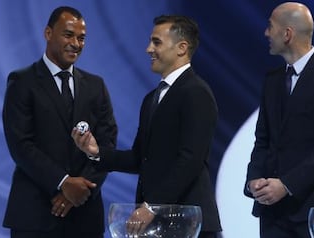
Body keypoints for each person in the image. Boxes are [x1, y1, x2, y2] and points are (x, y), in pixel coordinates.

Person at [72, 15, 222, 238]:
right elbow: (139, 158)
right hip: (156, 224)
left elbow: (190, 159)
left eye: (156, 42)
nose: (148, 49)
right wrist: (95, 153)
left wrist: (151, 205)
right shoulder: (152, 98)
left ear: (182, 48)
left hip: (187, 223)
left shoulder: (196, 92)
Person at [2, 6, 117, 238]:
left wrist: (80, 190)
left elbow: (107, 143)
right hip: (35, 215)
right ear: (48, 33)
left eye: (81, 38)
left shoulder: (96, 86)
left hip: (85, 216)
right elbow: (21, 145)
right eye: (68, 35)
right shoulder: (22, 81)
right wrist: (63, 182)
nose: (76, 43)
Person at [243, 2, 314, 238]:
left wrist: (286, 185)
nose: (265, 33)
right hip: (274, 215)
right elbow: (263, 140)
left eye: (270, 27)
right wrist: (253, 180)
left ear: (287, 34)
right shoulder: (272, 81)